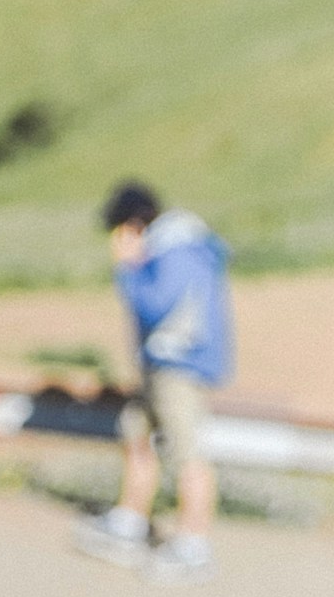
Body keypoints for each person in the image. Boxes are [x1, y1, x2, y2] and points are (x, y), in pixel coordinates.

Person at [78, 176, 233, 576]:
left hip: (179, 366)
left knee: (188, 453)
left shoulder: (178, 248)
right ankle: (129, 521)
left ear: (133, 224)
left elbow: (156, 306)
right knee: (136, 433)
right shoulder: (174, 245)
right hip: (161, 364)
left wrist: (128, 269)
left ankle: (193, 547)